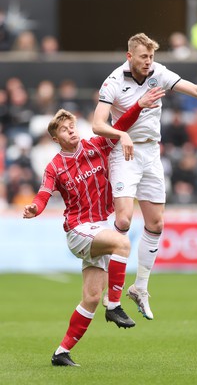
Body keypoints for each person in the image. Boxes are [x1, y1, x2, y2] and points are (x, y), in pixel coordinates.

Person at [92, 32, 197, 321]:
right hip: (124, 153)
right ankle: (109, 280)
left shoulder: (159, 73)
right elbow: (97, 124)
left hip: (151, 154)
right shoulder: (114, 81)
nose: (148, 62)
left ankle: (140, 287)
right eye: (143, 57)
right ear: (130, 57)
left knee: (156, 223)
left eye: (151, 56)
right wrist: (120, 133)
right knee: (124, 219)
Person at [22, 87, 165, 367]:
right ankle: (114, 305)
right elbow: (43, 193)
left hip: (99, 228)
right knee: (122, 242)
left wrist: (139, 103)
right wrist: (34, 209)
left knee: (89, 297)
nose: (70, 131)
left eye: (72, 126)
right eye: (63, 130)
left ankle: (61, 352)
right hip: (79, 230)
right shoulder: (55, 166)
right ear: (55, 138)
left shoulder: (96, 145)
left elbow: (121, 126)